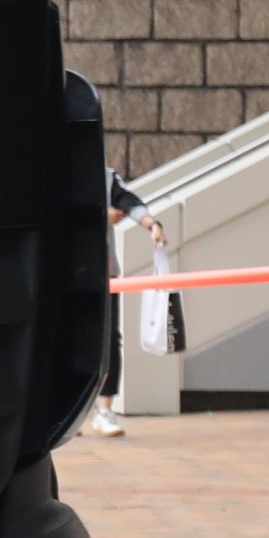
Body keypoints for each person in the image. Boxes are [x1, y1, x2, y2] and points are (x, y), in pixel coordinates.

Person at [87, 169, 163, 436]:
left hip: (105, 273)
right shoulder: (59, 170)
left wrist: (153, 225)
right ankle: (71, 411)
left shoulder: (106, 176)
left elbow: (128, 201)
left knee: (109, 340)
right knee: (68, 338)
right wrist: (98, 216)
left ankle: (104, 410)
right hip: (67, 276)